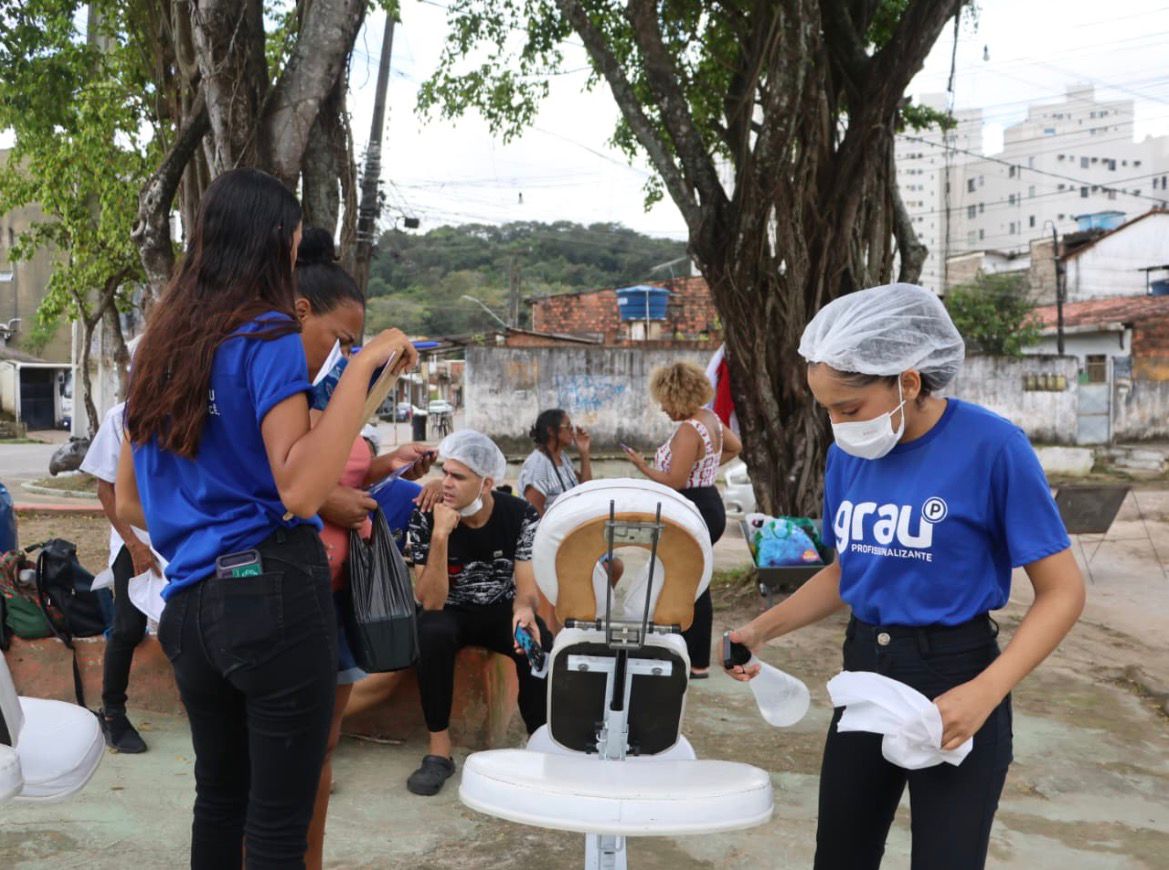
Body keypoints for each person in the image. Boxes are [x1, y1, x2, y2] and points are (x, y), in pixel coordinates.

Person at [115, 168, 418, 869]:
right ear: (276, 245)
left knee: (219, 802)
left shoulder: (160, 346)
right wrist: (365, 359)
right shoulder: (267, 331)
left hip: (187, 606)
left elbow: (132, 502)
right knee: (279, 826)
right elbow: (303, 490)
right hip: (270, 593)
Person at [726, 283, 1085, 870]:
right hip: (867, 670)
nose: (838, 425)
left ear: (908, 382)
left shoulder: (993, 448)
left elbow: (1063, 592)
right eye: (828, 410)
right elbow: (849, 569)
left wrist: (985, 693)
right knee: (841, 855)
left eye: (848, 408)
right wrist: (760, 631)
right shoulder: (851, 453)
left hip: (959, 673)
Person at [293, 228, 435, 870]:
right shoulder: (285, 390)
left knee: (321, 748)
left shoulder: (334, 392)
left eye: (354, 344)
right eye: (343, 341)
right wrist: (328, 503)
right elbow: (275, 478)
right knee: (274, 762)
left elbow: (339, 467)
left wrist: (380, 471)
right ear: (301, 312)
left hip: (337, 591)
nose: (345, 353)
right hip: (289, 592)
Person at [405, 430, 551, 797]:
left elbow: (526, 588)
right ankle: (439, 751)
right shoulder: (426, 515)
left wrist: (524, 611)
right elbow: (432, 601)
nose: (445, 483)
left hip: (500, 608)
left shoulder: (519, 515)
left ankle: (541, 741)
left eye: (458, 476)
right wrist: (440, 536)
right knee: (431, 632)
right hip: (450, 610)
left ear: (487, 483)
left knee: (537, 638)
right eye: (445, 472)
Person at [622, 361, 741, 677]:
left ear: (677, 397)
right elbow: (736, 446)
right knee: (692, 580)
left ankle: (695, 660)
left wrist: (641, 466)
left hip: (692, 507)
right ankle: (691, 655)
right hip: (708, 502)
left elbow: (674, 481)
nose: (662, 409)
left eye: (664, 402)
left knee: (689, 583)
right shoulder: (711, 419)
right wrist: (706, 469)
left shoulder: (689, 430)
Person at [80, 400, 156, 754]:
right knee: (128, 627)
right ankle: (112, 713)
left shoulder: (193, 406)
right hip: (135, 543)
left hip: (182, 537)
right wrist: (134, 545)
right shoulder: (120, 417)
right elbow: (105, 488)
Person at [517, 408, 592, 515]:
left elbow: (585, 488)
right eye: (568, 427)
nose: (572, 431)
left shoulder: (562, 457)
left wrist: (584, 452)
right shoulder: (538, 465)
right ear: (551, 431)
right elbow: (534, 514)